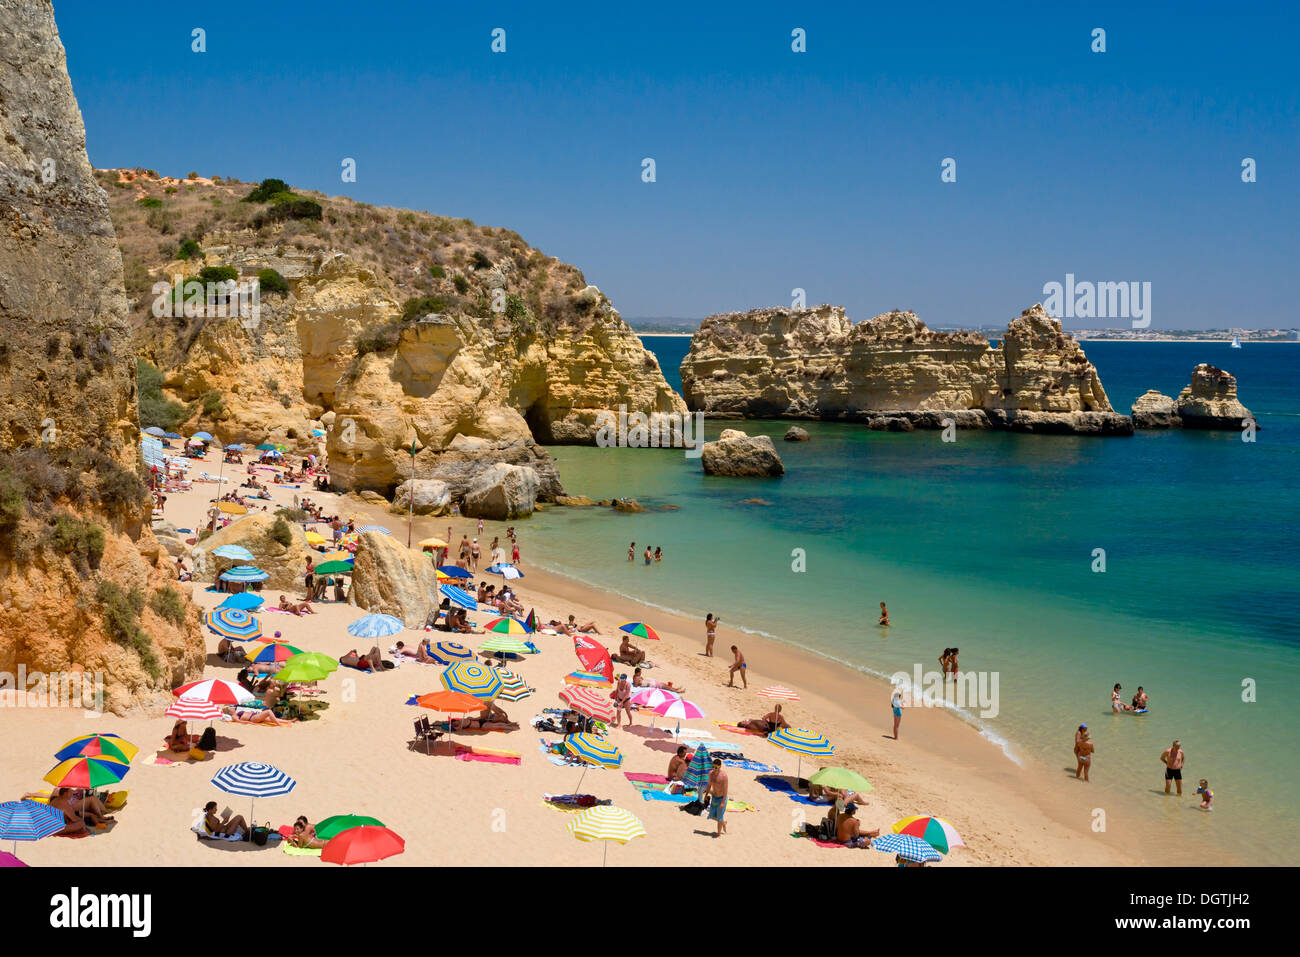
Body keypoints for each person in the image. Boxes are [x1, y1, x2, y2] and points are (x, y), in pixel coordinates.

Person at [706, 759, 729, 836]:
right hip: (714, 797)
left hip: (722, 798)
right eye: (713, 767)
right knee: (711, 816)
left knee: (719, 817)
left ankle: (718, 834)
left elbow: (725, 790)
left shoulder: (724, 776)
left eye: (716, 767)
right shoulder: (710, 774)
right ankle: (723, 822)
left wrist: (723, 802)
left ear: (720, 767)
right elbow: (709, 785)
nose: (714, 769)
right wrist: (706, 795)